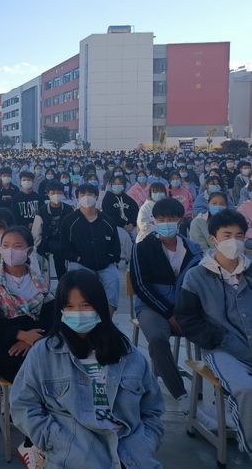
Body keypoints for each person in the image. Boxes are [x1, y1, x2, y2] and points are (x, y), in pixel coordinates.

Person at [11, 269, 164, 469]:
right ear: (61, 311)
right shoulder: (44, 354)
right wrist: (56, 441)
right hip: (74, 459)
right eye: (69, 307)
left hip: (130, 458)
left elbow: (152, 410)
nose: (78, 313)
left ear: (99, 306)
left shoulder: (129, 355)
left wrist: (144, 445)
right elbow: (23, 405)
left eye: (85, 305)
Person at [0, 226, 55, 468]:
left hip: (34, 344)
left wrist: (32, 340)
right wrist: (19, 334)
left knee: (47, 373)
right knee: (31, 379)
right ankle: (33, 441)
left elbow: (51, 319)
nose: (10, 251)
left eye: (17, 247)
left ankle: (37, 440)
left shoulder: (39, 282)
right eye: (6, 246)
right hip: (4, 346)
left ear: (29, 251)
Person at [175, 209, 252, 459]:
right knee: (246, 389)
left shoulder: (250, 270)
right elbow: (187, 319)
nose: (234, 241)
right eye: (227, 235)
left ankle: (232, 414)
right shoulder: (197, 276)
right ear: (213, 239)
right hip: (221, 349)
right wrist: (216, 338)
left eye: (239, 236)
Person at [130, 197, 202, 413]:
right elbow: (140, 286)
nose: (166, 223)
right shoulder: (143, 248)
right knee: (157, 340)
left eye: (171, 218)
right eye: (161, 219)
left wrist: (185, 310)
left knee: (212, 331)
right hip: (152, 307)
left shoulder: (193, 249)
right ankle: (181, 395)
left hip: (184, 308)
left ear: (180, 220)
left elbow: (199, 285)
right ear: (154, 220)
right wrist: (169, 313)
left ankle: (223, 390)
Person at [60, 184, 121, 315]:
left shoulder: (108, 221)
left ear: (97, 197)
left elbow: (115, 247)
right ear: (77, 198)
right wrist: (77, 258)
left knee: (114, 279)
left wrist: (108, 259)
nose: (86, 198)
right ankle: (85, 316)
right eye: (82, 195)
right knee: (79, 283)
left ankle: (107, 319)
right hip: (81, 264)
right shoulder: (69, 221)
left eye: (90, 194)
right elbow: (64, 247)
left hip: (105, 264)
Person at [31, 181, 73, 280]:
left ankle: (64, 279)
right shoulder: (42, 210)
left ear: (62, 193)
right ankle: (63, 279)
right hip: (48, 241)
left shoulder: (68, 209)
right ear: (48, 194)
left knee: (60, 250)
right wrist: (37, 246)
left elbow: (73, 228)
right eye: (53, 193)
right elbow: (36, 230)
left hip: (64, 240)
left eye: (59, 192)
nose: (56, 195)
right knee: (58, 250)